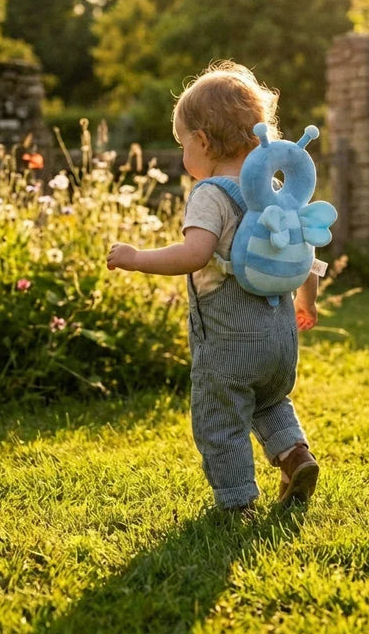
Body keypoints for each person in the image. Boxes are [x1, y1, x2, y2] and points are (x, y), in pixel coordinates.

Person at [107, 61, 320, 514]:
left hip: (229, 342)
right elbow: (308, 255)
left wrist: (137, 259)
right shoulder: (276, 189)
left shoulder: (211, 194)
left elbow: (195, 254)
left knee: (220, 420)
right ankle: (296, 456)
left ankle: (238, 502)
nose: (185, 154)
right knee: (270, 400)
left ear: (201, 142)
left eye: (183, 144)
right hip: (282, 336)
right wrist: (308, 302)